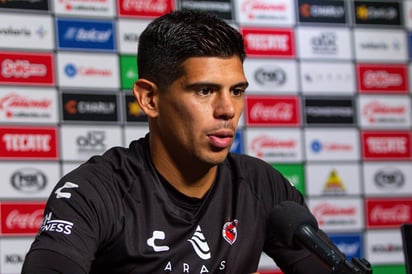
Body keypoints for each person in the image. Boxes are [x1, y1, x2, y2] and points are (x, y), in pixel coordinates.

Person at [22, 10, 333, 274]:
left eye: (237, 91)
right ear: (150, 99)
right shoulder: (95, 191)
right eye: (204, 91)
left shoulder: (262, 186)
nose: (227, 109)